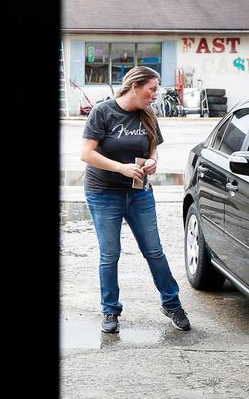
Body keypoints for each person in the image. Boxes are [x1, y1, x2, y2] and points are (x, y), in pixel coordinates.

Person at [80, 65, 190, 333]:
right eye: (152, 89)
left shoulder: (148, 115)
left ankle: (172, 304)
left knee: (154, 251)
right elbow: (86, 153)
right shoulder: (102, 112)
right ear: (135, 87)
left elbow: (152, 150)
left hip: (139, 192)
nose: (155, 94)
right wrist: (120, 167)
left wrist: (152, 162)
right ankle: (110, 310)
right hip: (103, 193)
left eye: (157, 89)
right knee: (110, 254)